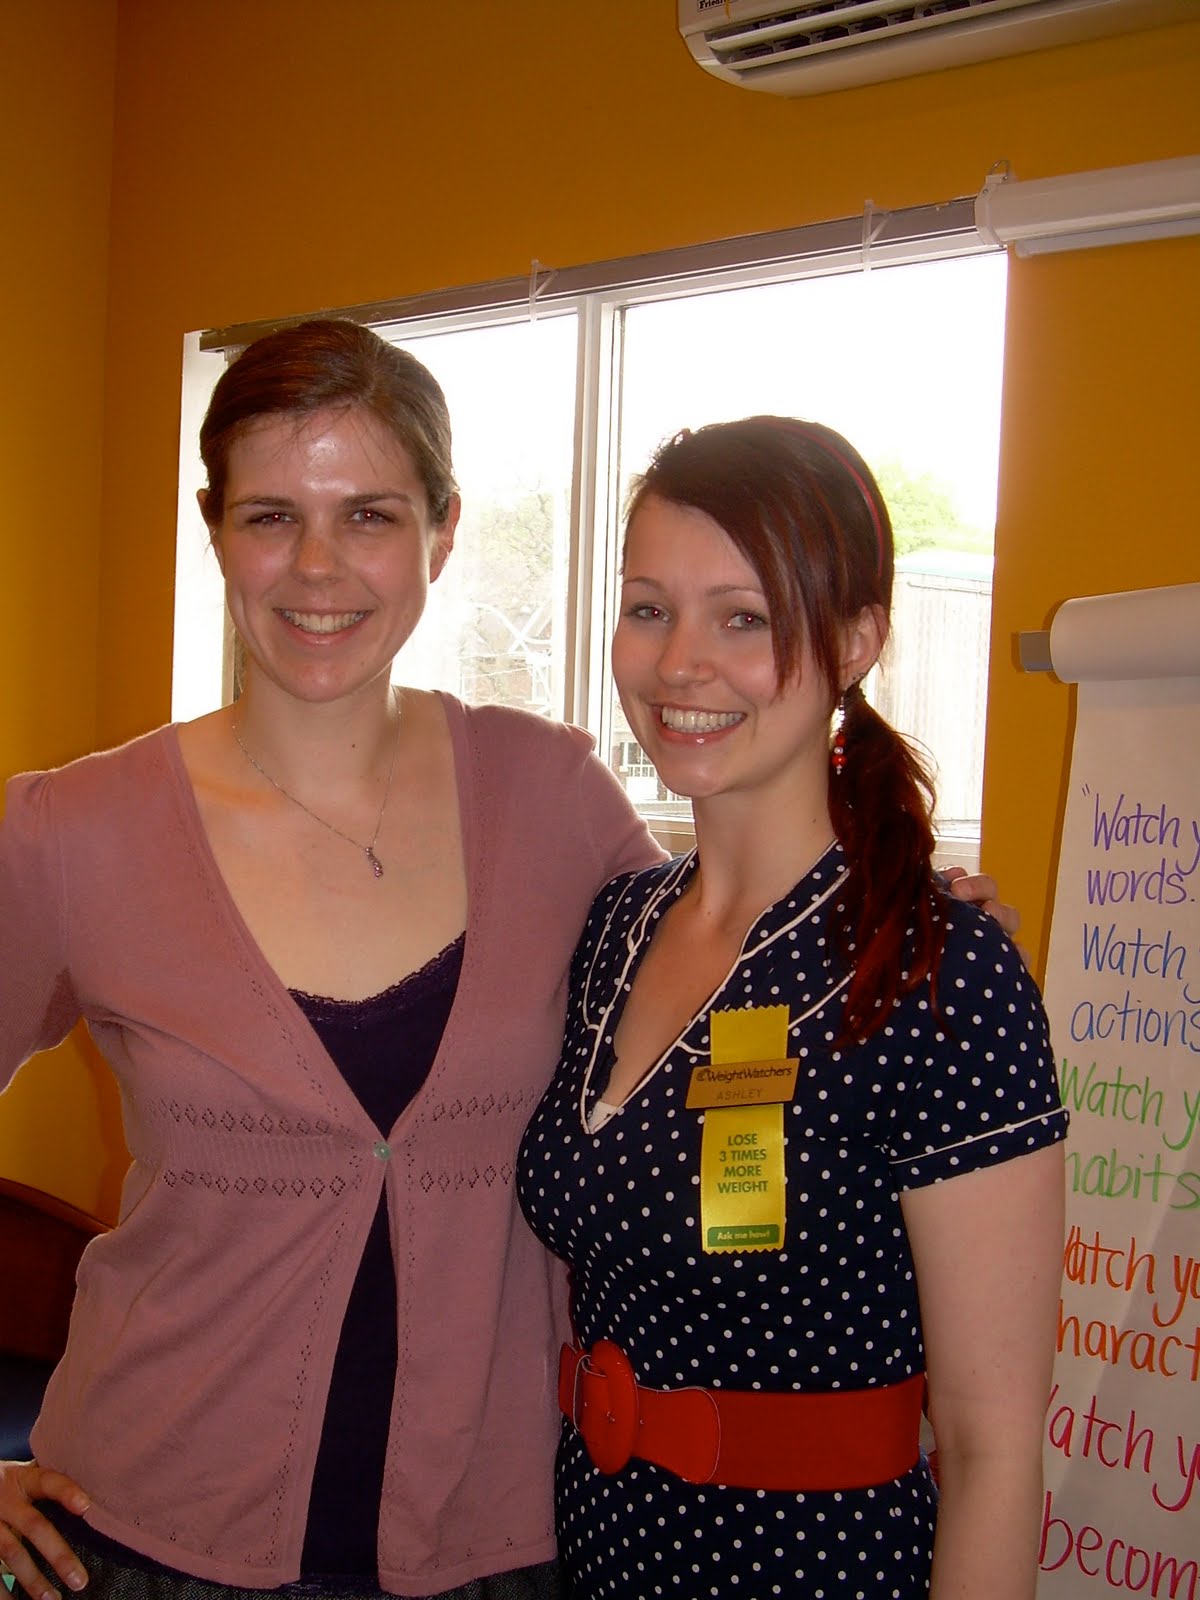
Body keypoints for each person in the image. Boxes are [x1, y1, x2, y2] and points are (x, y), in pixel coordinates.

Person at [0, 325, 1018, 1600]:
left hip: (507, 1551)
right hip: (140, 1538)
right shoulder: (72, 833)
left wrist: (900, 909)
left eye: (369, 514)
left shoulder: (550, 799)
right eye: (270, 516)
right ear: (214, 531)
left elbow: (733, 947)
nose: (317, 566)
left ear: (441, 533)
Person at [516, 417, 1067, 1600]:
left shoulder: (936, 972)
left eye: (744, 618)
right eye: (650, 608)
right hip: (603, 1558)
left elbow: (992, 1448)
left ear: (856, 638)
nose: (680, 664)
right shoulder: (616, 927)